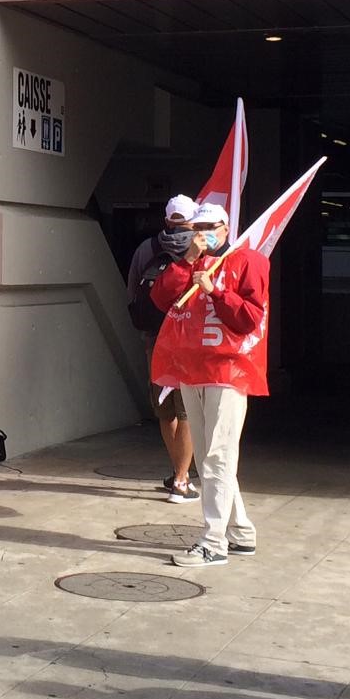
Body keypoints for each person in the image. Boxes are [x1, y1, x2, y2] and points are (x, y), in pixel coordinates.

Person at [150, 201, 266, 568]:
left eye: (209, 227)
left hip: (228, 371)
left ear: (225, 228)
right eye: (196, 228)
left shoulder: (249, 261)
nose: (201, 234)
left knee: (217, 456)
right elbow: (160, 298)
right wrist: (187, 260)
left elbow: (250, 317)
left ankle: (213, 541)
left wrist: (216, 291)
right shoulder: (192, 261)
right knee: (209, 457)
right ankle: (240, 531)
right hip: (191, 368)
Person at [126, 194, 201, 503]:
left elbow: (133, 291)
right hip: (191, 338)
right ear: (193, 219)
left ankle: (177, 471)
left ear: (167, 219)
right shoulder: (201, 248)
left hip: (156, 337)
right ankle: (182, 479)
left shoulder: (148, 248)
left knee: (164, 407)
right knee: (188, 411)